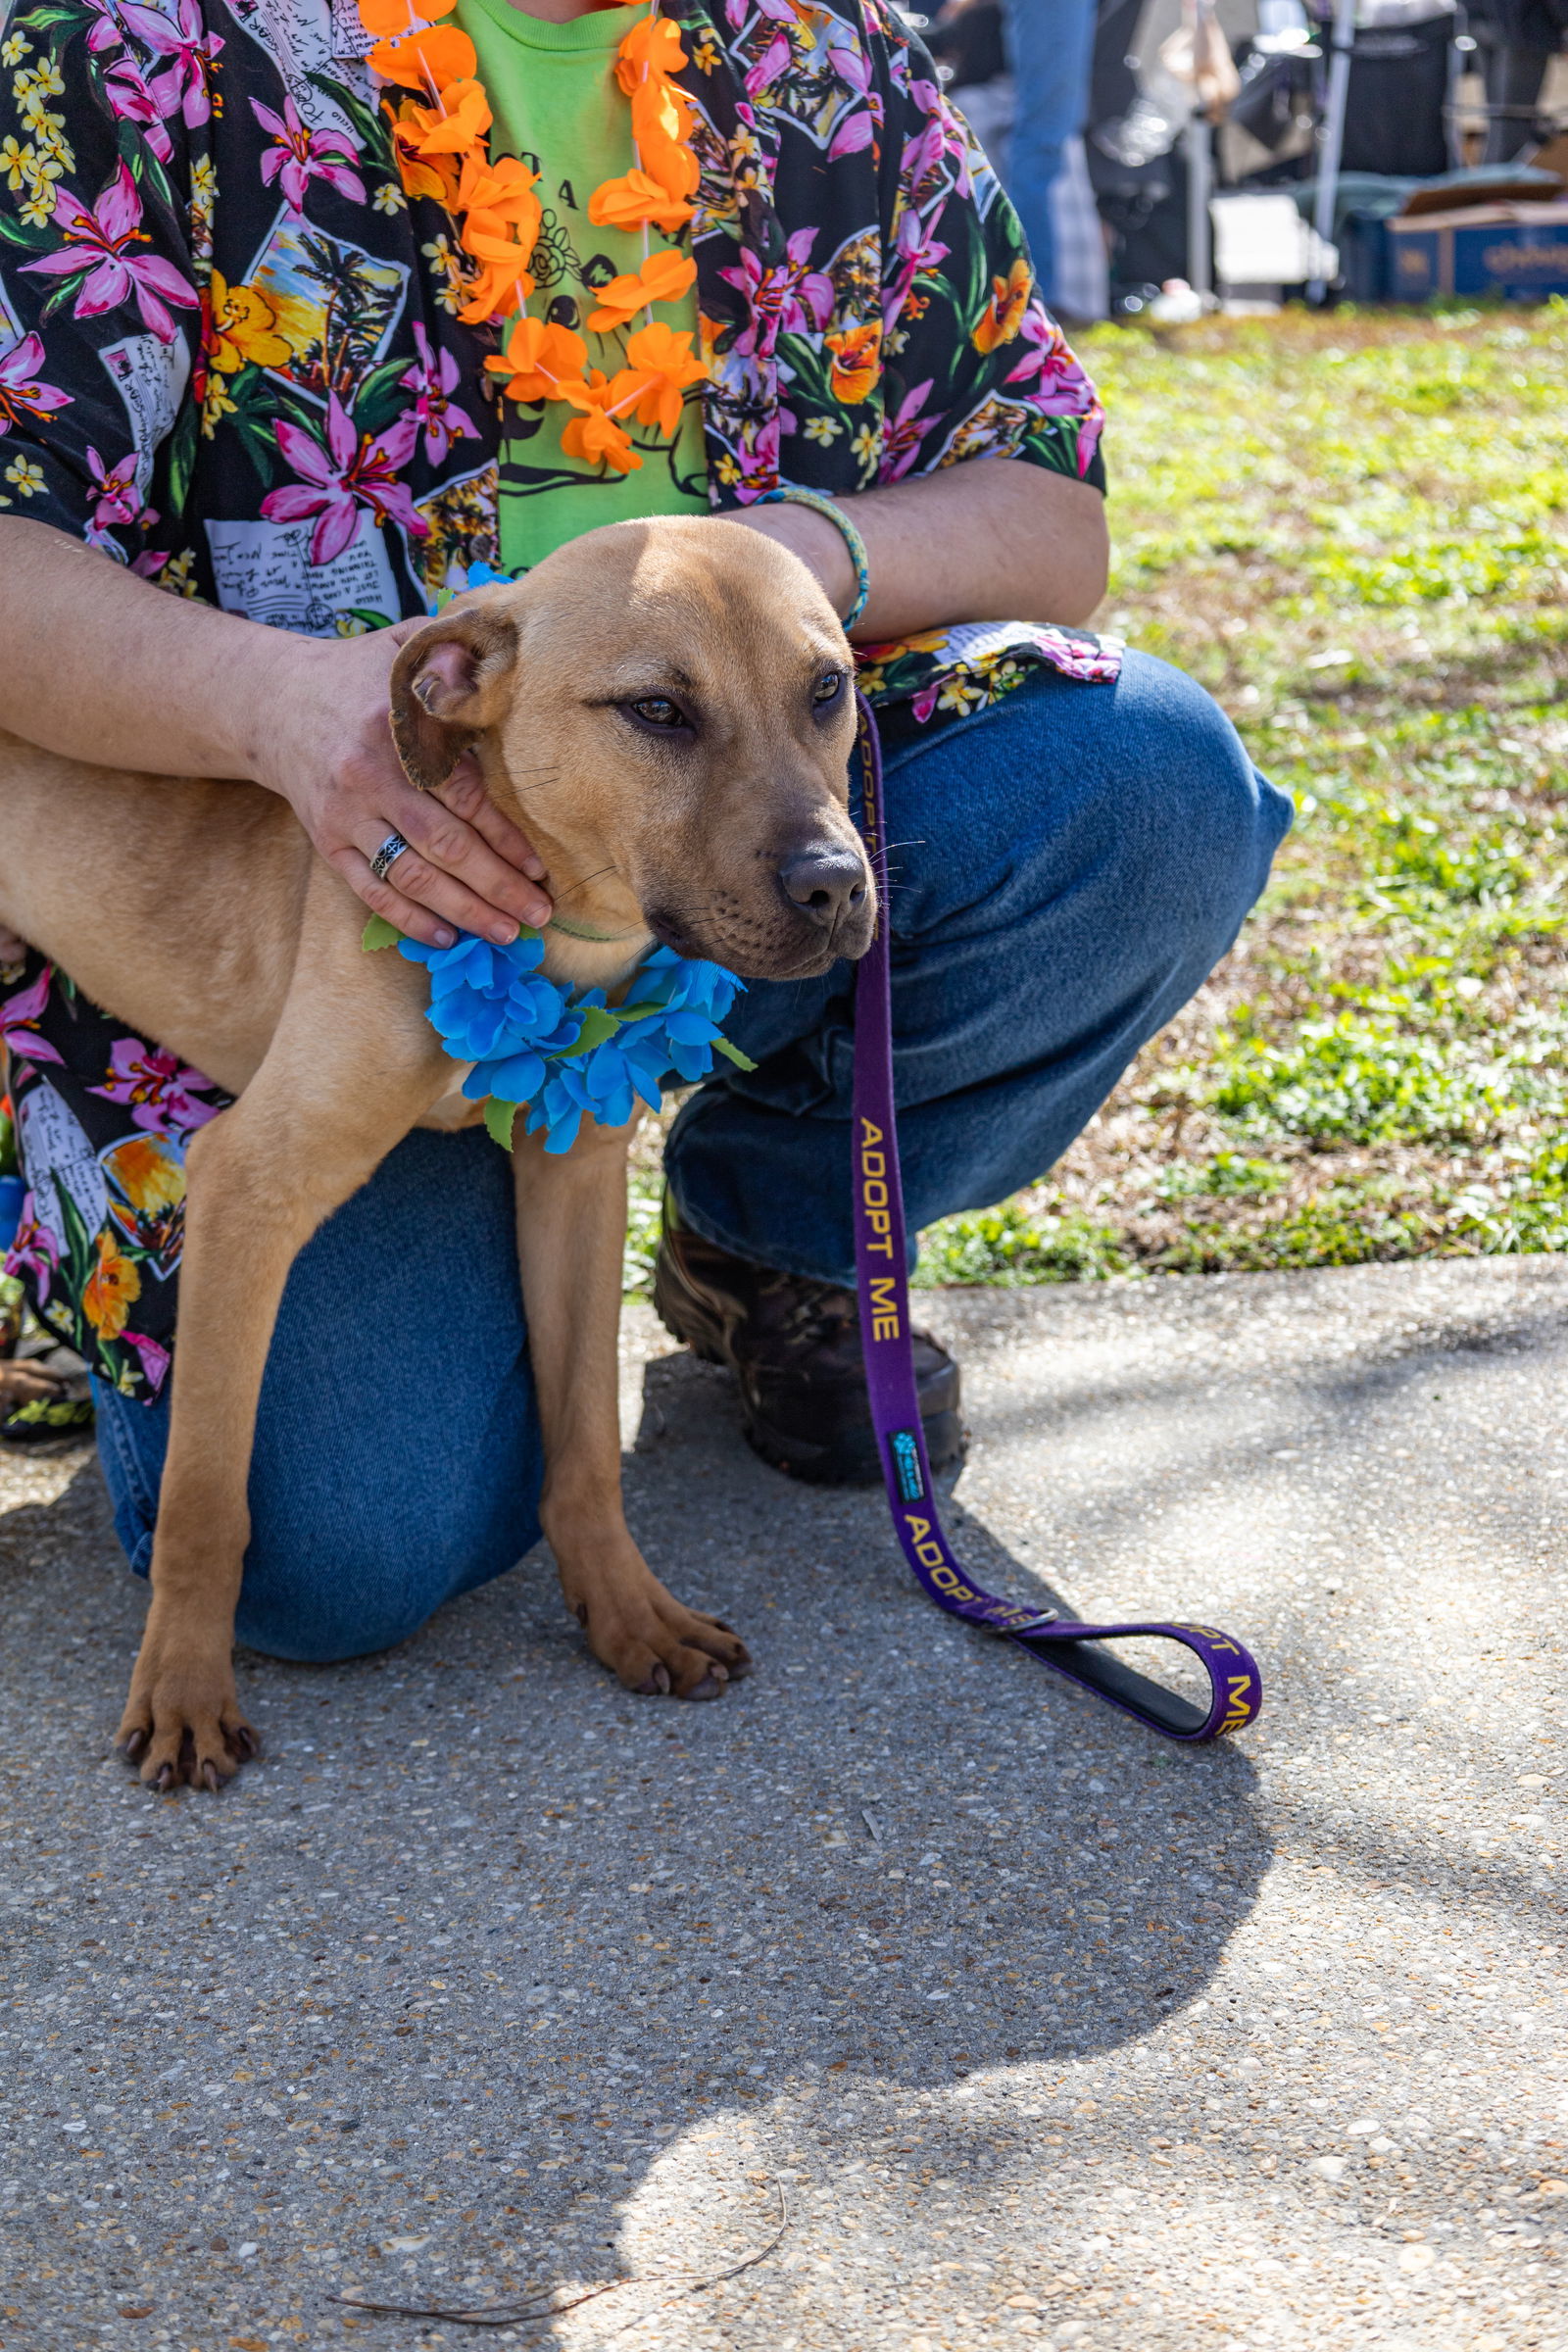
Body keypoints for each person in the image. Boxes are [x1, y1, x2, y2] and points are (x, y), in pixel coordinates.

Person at [0, 0, 1290, 1671]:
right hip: (302, 901)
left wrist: (752, 571)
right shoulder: (139, 40)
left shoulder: (832, 54)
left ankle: (767, 1240)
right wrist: (278, 707)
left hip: (738, 837)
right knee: (336, 1561)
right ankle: (116, 1269)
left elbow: (1045, 501)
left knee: (1141, 783)